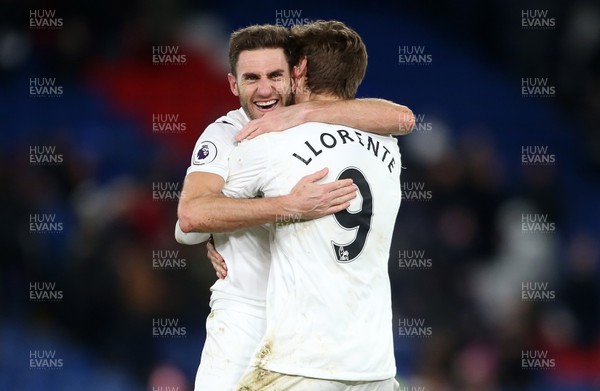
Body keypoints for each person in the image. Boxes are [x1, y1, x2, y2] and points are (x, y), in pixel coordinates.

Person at [176, 23, 412, 391]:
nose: (266, 89)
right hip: (248, 317)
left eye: (275, 75)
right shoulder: (228, 134)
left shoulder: (279, 139)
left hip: (305, 337)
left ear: (295, 74)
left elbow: (400, 117)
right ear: (233, 84)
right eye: (252, 78)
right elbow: (189, 221)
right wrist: (279, 208)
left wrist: (303, 114)